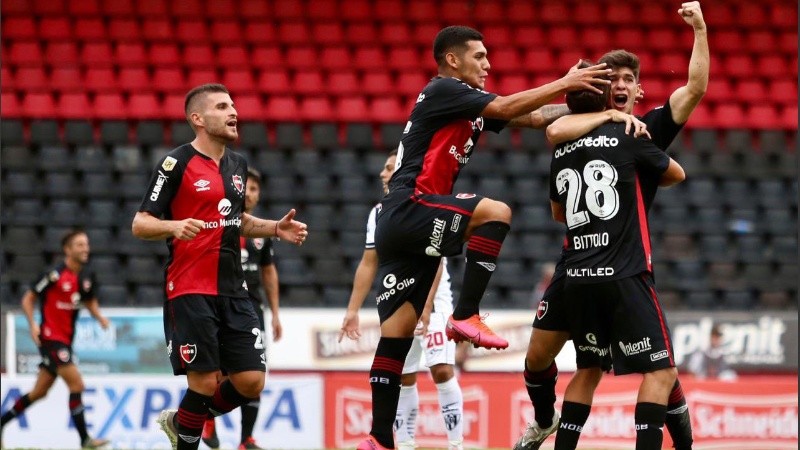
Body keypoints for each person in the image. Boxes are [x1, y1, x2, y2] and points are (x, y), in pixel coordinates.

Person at [358, 25, 614, 450]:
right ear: (453, 60)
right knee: (497, 212)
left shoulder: (467, 105)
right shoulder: (444, 89)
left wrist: (586, 106)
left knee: (397, 335)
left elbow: (530, 117)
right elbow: (510, 102)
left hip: (398, 223)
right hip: (412, 205)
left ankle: (378, 438)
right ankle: (467, 313)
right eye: (479, 56)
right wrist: (564, 82)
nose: (488, 63)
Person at [515, 3, 708, 449]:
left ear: (638, 91)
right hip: (592, 267)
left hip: (607, 263)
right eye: (611, 79)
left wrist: (698, 28)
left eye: (627, 80)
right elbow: (541, 122)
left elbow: (694, 88)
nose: (620, 86)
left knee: (619, 369)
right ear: (601, 91)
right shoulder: (595, 127)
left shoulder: (646, 126)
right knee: (554, 360)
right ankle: (544, 420)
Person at [131, 83, 308, 450]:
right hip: (190, 287)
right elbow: (140, 223)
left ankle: (182, 421)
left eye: (233, 105)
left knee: (250, 381)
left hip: (234, 290)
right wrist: (173, 225)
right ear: (198, 118)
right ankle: (187, 434)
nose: (234, 112)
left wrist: (275, 228)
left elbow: (236, 220)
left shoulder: (238, 165)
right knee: (203, 384)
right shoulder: (175, 164)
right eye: (222, 106)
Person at [548, 59, 687, 449]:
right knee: (662, 371)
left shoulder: (562, 146)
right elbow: (676, 174)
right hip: (625, 271)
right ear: (605, 97)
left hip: (576, 276)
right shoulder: (630, 132)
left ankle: (552, 431)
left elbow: (558, 213)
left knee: (588, 368)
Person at [340, 151, 466, 450]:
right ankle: (406, 444)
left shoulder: (423, 202)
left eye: (389, 167)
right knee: (404, 374)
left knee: (442, 369)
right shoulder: (377, 213)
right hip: (400, 300)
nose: (383, 173)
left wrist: (425, 307)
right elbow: (369, 261)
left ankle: (456, 444)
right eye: (383, 168)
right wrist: (352, 310)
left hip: (433, 304)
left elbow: (437, 261)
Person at [0, 229, 111, 449]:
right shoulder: (54, 275)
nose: (85, 248)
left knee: (39, 392)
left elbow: (88, 300)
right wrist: (32, 325)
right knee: (77, 383)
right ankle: (85, 440)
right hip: (51, 338)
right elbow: (28, 298)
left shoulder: (87, 276)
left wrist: (99, 317)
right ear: (67, 250)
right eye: (79, 245)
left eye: (86, 244)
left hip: (66, 340)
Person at [201, 167, 284, 450]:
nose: (250, 193)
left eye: (256, 189)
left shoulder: (262, 232)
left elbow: (269, 273)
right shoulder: (217, 220)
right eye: (247, 187)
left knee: (255, 369)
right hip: (219, 305)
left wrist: (275, 313)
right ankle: (208, 421)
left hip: (252, 309)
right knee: (221, 373)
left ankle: (245, 439)